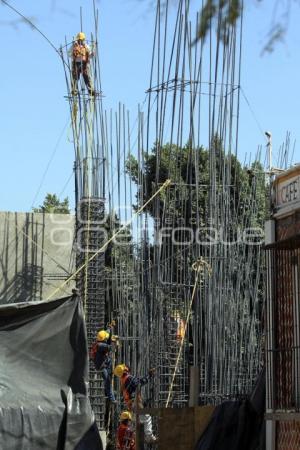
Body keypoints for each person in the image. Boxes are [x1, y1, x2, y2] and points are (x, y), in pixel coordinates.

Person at [114, 363, 157, 444]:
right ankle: (149, 437)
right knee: (147, 418)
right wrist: (149, 375)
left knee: (138, 422)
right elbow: (140, 382)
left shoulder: (123, 381)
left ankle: (137, 440)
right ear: (124, 370)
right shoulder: (129, 379)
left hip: (131, 405)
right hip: (135, 403)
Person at [90, 321, 118, 403]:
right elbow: (112, 348)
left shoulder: (99, 340)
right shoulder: (101, 346)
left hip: (105, 361)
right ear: (103, 339)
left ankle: (107, 392)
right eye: (106, 337)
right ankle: (112, 398)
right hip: (101, 367)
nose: (107, 337)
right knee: (108, 381)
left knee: (109, 367)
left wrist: (110, 327)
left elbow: (107, 333)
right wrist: (115, 341)